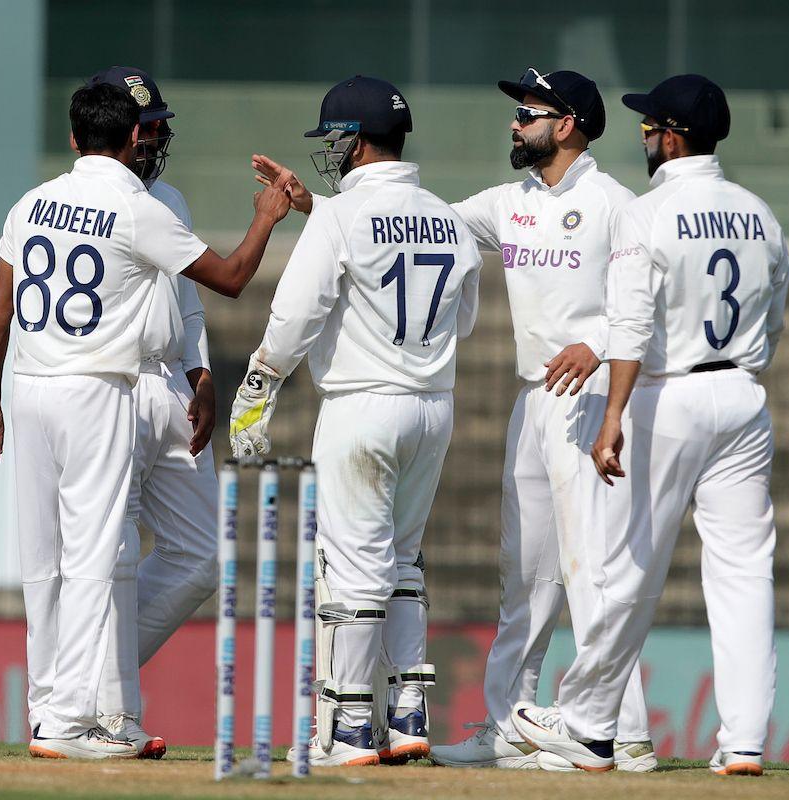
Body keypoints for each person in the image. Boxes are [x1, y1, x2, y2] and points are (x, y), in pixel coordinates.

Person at [252, 67, 656, 772]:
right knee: (522, 569)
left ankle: (620, 729)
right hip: (532, 399)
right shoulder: (508, 201)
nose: (514, 123)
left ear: (566, 124)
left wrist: (602, 347)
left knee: (589, 565)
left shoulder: (617, 204)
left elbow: (650, 304)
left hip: (590, 393)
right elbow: (406, 233)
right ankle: (508, 721)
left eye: (527, 112)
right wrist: (311, 203)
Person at [0, 81, 291, 759]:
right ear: (132, 136)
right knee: (94, 558)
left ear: (73, 134)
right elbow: (231, 277)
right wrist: (267, 214)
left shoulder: (32, 202)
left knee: (47, 560)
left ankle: (66, 706)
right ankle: (66, 719)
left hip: (32, 386)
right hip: (99, 388)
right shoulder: (132, 205)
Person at [510, 74, 789, 777]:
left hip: (670, 398)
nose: (643, 141)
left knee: (626, 564)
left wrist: (611, 419)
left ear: (670, 135)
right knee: (745, 575)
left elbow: (630, 324)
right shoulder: (760, 214)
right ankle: (746, 741)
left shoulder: (650, 211)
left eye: (647, 130)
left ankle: (591, 726)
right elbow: (774, 317)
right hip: (744, 394)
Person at [228, 75, 482, 767]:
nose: (331, 152)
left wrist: (259, 386)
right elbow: (464, 318)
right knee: (401, 561)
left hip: (361, 406)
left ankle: (346, 730)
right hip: (433, 406)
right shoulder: (449, 219)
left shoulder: (341, 216)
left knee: (353, 567)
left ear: (360, 142)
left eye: (336, 139)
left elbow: (296, 312)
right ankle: (406, 716)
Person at [74, 68, 221, 759]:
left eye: (160, 124)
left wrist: (202, 373)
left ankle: (88, 681)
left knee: (199, 560)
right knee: (117, 552)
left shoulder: (170, 198)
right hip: (115, 384)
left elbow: (185, 298)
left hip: (169, 382)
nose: (156, 137)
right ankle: (100, 702)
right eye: (147, 125)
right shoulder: (93, 201)